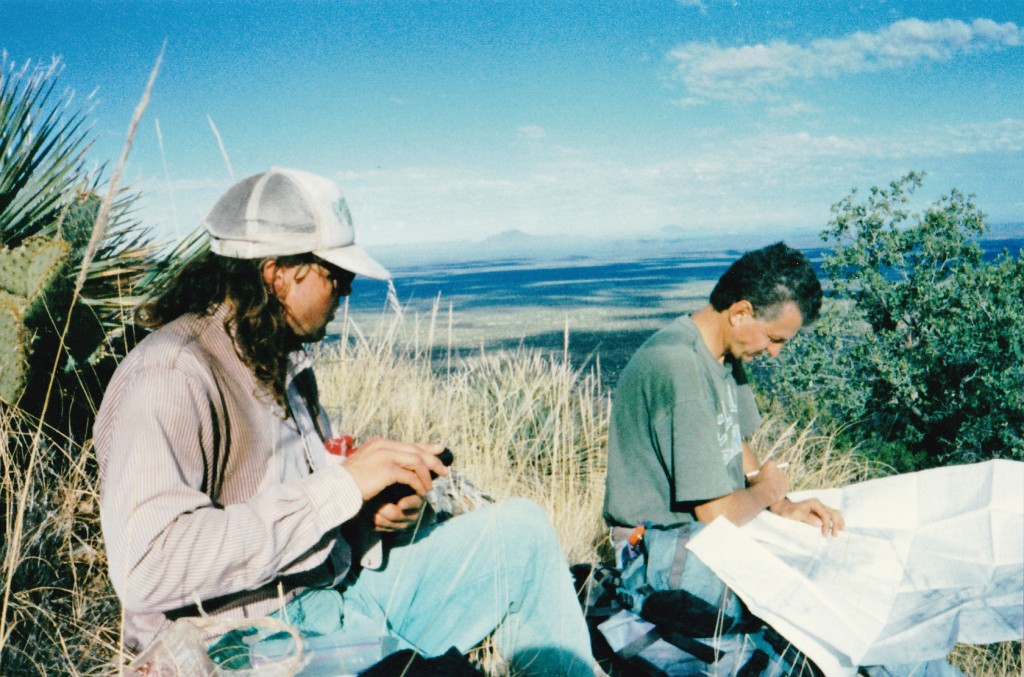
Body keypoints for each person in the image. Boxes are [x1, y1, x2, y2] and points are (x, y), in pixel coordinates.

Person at [95, 167, 596, 675]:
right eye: (337, 276)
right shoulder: (172, 373)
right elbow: (147, 567)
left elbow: (291, 527)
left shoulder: (279, 358)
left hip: (334, 595)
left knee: (521, 535)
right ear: (277, 274)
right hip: (241, 639)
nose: (348, 292)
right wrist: (342, 487)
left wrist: (363, 519)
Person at [602, 242, 844, 672]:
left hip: (700, 539)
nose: (775, 353)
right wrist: (769, 488)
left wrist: (779, 504)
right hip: (664, 553)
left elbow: (735, 441)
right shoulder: (680, 367)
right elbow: (714, 511)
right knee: (829, 611)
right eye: (773, 339)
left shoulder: (719, 354)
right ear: (740, 312)